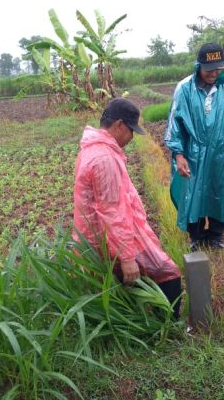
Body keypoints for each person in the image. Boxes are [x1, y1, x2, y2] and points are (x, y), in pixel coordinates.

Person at [73, 98, 182, 318]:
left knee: (121, 285)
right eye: (131, 131)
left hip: (98, 237)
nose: (132, 137)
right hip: (109, 239)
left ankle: (139, 320)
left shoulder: (92, 149)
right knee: (167, 272)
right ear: (119, 125)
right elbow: (112, 212)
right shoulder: (104, 158)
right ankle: (168, 329)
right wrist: (126, 257)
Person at [164, 42, 224, 251]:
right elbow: (175, 123)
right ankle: (196, 237)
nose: (214, 73)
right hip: (193, 151)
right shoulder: (185, 88)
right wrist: (179, 155)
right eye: (209, 69)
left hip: (223, 152)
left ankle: (215, 236)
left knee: (220, 191)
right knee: (193, 192)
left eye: (218, 68)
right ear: (198, 66)